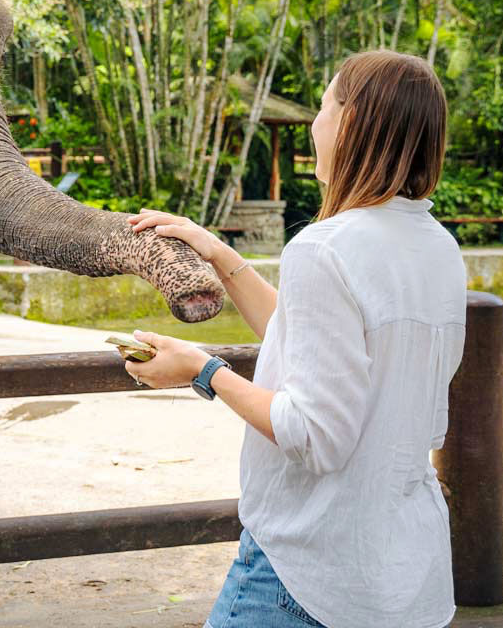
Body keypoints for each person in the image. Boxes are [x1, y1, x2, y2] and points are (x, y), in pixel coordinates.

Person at [123, 50, 466, 628]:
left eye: (326, 103)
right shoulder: (438, 248)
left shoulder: (323, 248)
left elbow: (314, 435)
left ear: (351, 122)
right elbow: (318, 343)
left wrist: (201, 370)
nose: (315, 121)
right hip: (405, 575)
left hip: (306, 574)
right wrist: (223, 256)